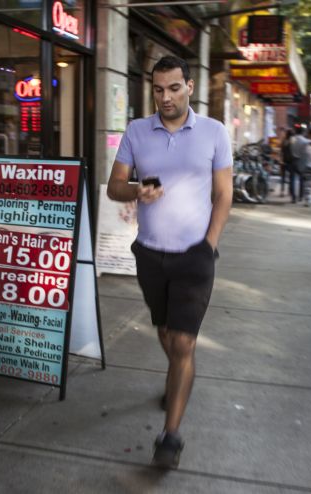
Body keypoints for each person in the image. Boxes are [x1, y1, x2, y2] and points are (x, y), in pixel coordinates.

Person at [106, 55, 233, 469]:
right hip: (150, 254)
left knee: (183, 342)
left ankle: (170, 436)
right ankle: (177, 377)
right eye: (158, 89)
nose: (166, 97)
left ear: (189, 87)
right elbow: (113, 187)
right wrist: (135, 192)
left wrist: (209, 244)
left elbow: (224, 193)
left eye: (174, 88)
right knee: (165, 332)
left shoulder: (213, 132)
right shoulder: (137, 131)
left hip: (195, 256)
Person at [289, 125, 310, 203]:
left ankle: (293, 197)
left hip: (293, 160)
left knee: (292, 179)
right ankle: (301, 196)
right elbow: (307, 152)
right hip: (302, 160)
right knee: (302, 179)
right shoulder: (306, 141)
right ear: (303, 132)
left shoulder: (292, 139)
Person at [280, 128, 294, 198]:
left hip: (284, 161)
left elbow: (281, 151)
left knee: (283, 177)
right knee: (291, 177)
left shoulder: (284, 141)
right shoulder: (293, 142)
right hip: (291, 161)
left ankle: (282, 191)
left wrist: (281, 160)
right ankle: (289, 191)